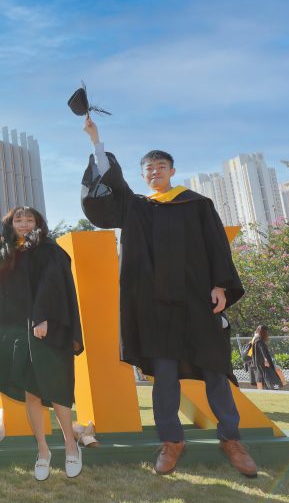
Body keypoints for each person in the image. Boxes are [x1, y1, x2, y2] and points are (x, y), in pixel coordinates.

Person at [81, 113, 257, 477]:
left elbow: (217, 248)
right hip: (157, 307)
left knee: (214, 371)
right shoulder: (138, 207)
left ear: (172, 171)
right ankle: (171, 441)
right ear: (143, 175)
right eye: (148, 168)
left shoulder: (197, 204)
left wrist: (221, 285)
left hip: (198, 302)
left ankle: (231, 439)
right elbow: (108, 187)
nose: (155, 172)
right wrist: (95, 141)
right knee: (164, 376)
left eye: (161, 166)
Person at [0, 177, 84, 480]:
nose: (24, 223)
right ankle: (43, 450)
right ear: (12, 224)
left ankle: (70, 446)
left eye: (29, 219)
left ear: (38, 222)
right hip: (16, 332)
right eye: (18, 219)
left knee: (58, 390)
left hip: (48, 327)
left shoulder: (50, 250)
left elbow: (54, 287)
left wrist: (42, 318)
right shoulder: (8, 252)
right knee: (32, 393)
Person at [244, 324, 283, 390]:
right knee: (265, 377)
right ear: (264, 332)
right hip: (261, 363)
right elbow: (264, 353)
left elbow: (249, 353)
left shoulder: (253, 340)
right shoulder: (260, 341)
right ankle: (270, 388)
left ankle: (261, 391)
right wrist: (269, 363)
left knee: (259, 378)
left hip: (255, 363)